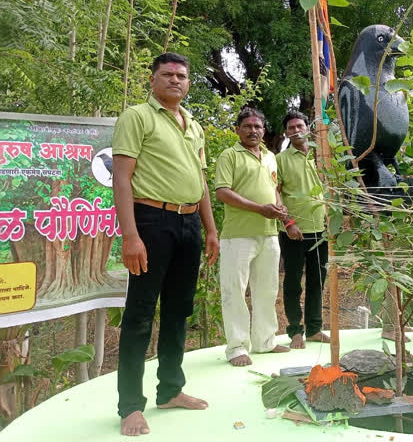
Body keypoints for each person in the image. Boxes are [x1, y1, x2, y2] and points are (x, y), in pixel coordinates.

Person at [112, 52, 220, 436]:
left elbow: (201, 180)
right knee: (140, 313)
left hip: (189, 222)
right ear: (153, 79)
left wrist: (210, 229)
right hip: (150, 221)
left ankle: (171, 390)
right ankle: (130, 406)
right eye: (168, 74)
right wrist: (130, 236)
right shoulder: (137, 117)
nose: (175, 80)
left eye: (181, 75)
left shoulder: (193, 125)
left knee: (179, 310)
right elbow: (121, 179)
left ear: (189, 82)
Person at [215, 106, 289, 366]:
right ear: (237, 130)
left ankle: (265, 342)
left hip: (269, 234)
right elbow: (222, 191)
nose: (253, 131)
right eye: (247, 126)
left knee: (267, 290)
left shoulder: (270, 157)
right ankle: (237, 348)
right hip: (238, 236)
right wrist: (261, 209)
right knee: (234, 291)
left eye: (258, 126)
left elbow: (274, 190)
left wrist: (280, 210)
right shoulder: (229, 155)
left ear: (264, 130)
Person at [276, 111, 331, 349]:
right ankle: (295, 330)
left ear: (308, 128)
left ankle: (315, 328)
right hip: (294, 232)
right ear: (286, 133)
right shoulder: (280, 160)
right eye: (291, 127)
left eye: (300, 125)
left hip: (321, 230)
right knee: (293, 282)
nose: (296, 130)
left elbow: (331, 189)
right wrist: (288, 222)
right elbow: (275, 192)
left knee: (318, 281)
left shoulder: (323, 157)